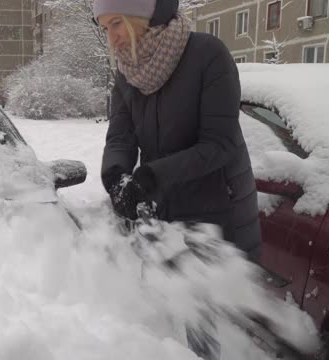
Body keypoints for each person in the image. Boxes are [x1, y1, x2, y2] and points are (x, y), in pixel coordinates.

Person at [93, 0, 262, 358]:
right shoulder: (127, 72)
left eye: (117, 23)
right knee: (172, 309)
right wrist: (117, 177)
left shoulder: (208, 55)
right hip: (165, 207)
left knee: (209, 326)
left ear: (144, 16)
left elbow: (220, 143)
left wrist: (153, 176)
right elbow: (120, 136)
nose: (112, 37)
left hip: (218, 212)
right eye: (105, 27)